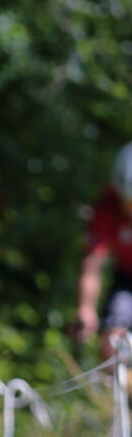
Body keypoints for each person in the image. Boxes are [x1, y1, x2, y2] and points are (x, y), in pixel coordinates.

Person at [75, 143, 132, 349]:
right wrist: (86, 308)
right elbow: (93, 265)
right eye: (128, 203)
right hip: (127, 279)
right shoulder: (107, 206)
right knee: (113, 341)